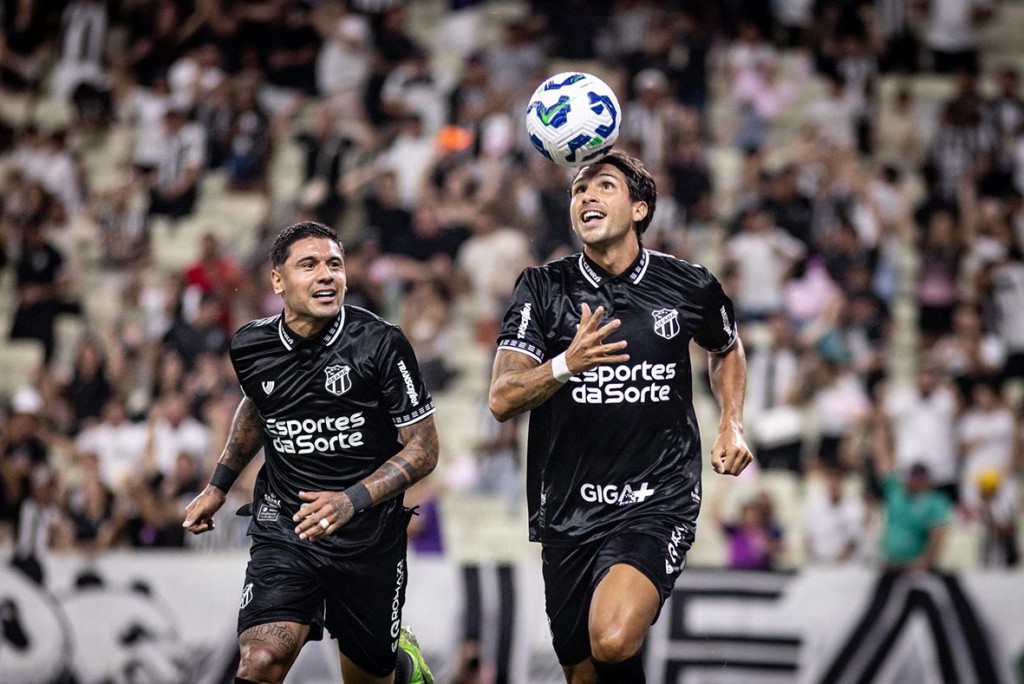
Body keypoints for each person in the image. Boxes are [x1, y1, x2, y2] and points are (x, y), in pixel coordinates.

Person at [488, 150, 753, 684]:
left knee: (611, 637)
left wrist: (731, 421)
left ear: (639, 208)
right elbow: (502, 398)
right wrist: (566, 364)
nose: (586, 195)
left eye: (603, 185)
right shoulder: (542, 288)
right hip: (568, 506)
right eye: (578, 189)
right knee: (584, 672)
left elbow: (725, 347)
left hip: (657, 499)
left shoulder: (689, 285)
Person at [182, 221, 437, 684]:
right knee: (260, 661)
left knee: (370, 679)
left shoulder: (381, 343)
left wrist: (348, 501)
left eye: (335, 265)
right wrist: (218, 486)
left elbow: (424, 448)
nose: (326, 275)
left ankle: (403, 664)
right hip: (287, 528)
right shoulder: (250, 345)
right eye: (309, 265)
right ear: (277, 280)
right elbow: (257, 406)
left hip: (367, 537)